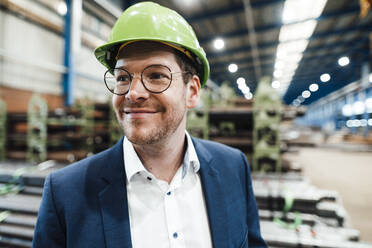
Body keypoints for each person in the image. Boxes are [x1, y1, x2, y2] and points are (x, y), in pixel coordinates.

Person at [32, 2, 267, 247]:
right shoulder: (66, 193)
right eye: (123, 77)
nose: (133, 93)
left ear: (192, 92)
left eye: (156, 76)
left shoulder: (233, 168)